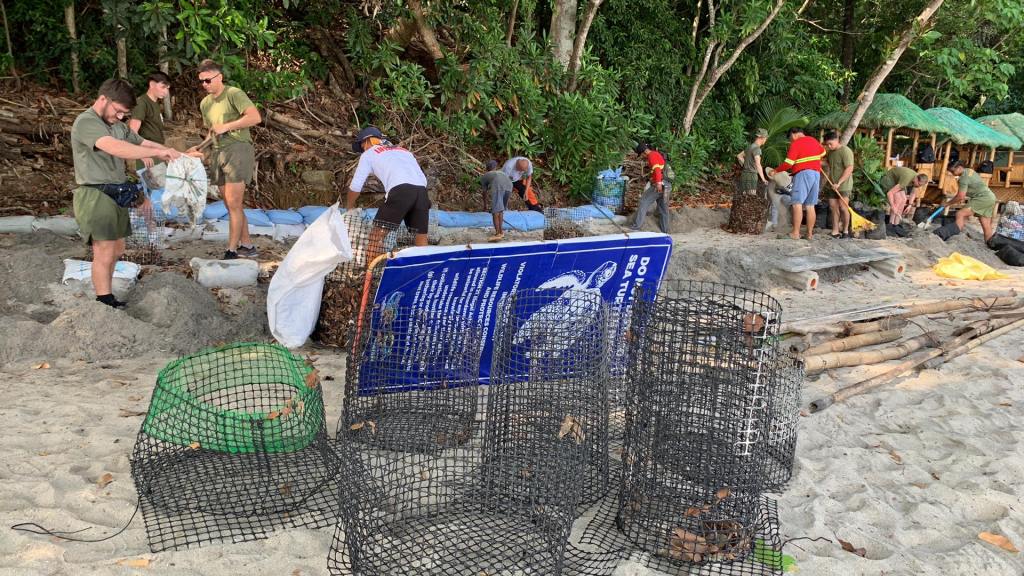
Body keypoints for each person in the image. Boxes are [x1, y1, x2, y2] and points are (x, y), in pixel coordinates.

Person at [70, 79, 181, 308]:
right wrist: (151, 152)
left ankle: (106, 293)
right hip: (95, 192)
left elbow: (141, 140)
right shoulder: (86, 122)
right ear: (103, 99)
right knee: (104, 250)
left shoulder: (118, 125)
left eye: (124, 114)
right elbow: (115, 147)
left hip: (118, 191)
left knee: (117, 249)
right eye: (118, 111)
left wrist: (167, 151)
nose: (120, 117)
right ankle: (104, 299)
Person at [196, 59, 262, 260]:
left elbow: (255, 117)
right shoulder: (205, 103)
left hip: (237, 149)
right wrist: (199, 149)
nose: (205, 85)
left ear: (219, 77)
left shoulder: (234, 94)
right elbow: (211, 132)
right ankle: (248, 246)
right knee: (229, 204)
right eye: (202, 82)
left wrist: (227, 126)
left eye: (208, 80)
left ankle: (231, 250)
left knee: (234, 202)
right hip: (218, 152)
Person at [346, 126, 431, 257]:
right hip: (421, 192)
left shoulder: (369, 154)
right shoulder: (404, 151)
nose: (363, 149)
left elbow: (356, 186)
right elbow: (422, 179)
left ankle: (371, 275)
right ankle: (424, 273)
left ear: (367, 141)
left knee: (375, 238)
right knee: (421, 238)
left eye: (362, 146)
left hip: (400, 191)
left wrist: (349, 207)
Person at [771, 127, 826, 240]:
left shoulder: (796, 143)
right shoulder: (813, 140)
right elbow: (823, 152)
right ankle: (809, 234)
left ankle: (795, 233)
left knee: (797, 203)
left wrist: (776, 170)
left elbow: (788, 163)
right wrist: (811, 159)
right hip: (816, 173)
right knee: (810, 205)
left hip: (803, 173)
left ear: (794, 134)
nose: (791, 140)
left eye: (790, 138)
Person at [127, 71, 171, 171]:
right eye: (163, 87)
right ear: (151, 84)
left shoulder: (155, 104)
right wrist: (141, 155)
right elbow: (132, 132)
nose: (166, 92)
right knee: (153, 185)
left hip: (157, 151)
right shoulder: (142, 103)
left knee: (161, 185)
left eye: (167, 88)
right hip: (147, 154)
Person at [946, 160, 998, 241]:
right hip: (990, 197)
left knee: (960, 214)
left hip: (982, 198)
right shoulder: (969, 170)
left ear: (959, 168)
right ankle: (989, 243)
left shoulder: (963, 178)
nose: (951, 173)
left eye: (952, 171)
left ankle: (955, 237)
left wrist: (947, 204)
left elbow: (960, 196)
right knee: (985, 224)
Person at [630, 143, 671, 233]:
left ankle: (636, 226)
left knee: (643, 201)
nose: (642, 157)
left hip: (660, 185)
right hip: (667, 185)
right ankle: (665, 231)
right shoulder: (656, 153)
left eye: (641, 155)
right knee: (663, 208)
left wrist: (658, 183)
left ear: (644, 152)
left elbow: (657, 170)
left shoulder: (651, 156)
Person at [822, 132, 855, 238]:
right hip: (832, 184)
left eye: (831, 144)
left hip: (844, 185)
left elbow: (849, 168)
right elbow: (828, 163)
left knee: (843, 207)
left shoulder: (845, 151)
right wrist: (818, 162)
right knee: (833, 207)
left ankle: (845, 231)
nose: (829, 146)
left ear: (837, 140)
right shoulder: (830, 152)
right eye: (827, 144)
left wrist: (839, 182)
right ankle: (835, 231)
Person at [480, 159, 514, 242]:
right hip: (509, 186)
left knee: (495, 212)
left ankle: (498, 234)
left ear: (487, 168)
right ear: (495, 167)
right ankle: (501, 232)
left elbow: (484, 193)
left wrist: (485, 206)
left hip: (498, 185)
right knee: (500, 210)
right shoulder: (501, 172)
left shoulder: (485, 176)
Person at [737, 128, 769, 196]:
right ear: (762, 137)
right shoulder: (757, 149)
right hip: (751, 175)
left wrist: (746, 165)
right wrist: (763, 179)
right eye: (766, 138)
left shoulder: (750, 147)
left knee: (744, 197)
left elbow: (739, 156)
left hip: (744, 175)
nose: (766, 140)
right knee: (751, 198)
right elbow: (758, 164)